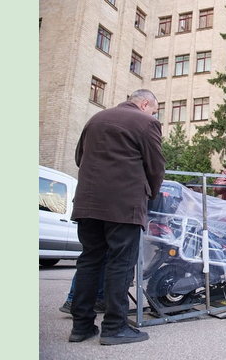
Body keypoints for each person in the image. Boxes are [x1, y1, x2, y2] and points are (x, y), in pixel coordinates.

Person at [69, 89, 165, 345]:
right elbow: (156, 166)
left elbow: (80, 157)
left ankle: (81, 327)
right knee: (120, 264)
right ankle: (114, 327)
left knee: (89, 261)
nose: (153, 114)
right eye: (153, 109)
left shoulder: (96, 119)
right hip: (123, 206)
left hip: (88, 203)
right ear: (145, 104)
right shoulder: (147, 123)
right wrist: (151, 195)